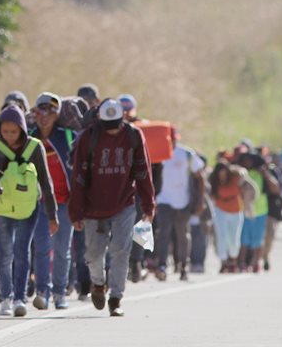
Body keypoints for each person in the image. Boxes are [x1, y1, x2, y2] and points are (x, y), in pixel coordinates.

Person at [67, 98, 156, 317]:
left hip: (124, 203)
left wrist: (148, 204)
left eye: (116, 124)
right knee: (94, 254)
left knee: (120, 250)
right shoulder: (89, 138)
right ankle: (98, 284)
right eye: (108, 126)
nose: (113, 131)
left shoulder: (134, 136)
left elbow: (143, 171)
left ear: (123, 117)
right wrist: (75, 210)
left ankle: (116, 298)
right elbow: (78, 176)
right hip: (93, 206)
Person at [0, 106, 57, 317]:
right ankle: (6, 297)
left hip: (28, 208)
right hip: (1, 208)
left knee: (22, 253)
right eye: (4, 131)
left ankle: (19, 298)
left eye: (13, 132)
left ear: (23, 130)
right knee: (4, 254)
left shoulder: (35, 147)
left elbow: (45, 181)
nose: (8, 136)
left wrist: (52, 214)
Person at [29, 92, 76, 309]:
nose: (45, 116)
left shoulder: (68, 137)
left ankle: (59, 293)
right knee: (40, 248)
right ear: (35, 113)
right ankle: (42, 292)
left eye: (51, 111)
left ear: (57, 114)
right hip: (38, 203)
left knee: (62, 249)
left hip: (65, 202)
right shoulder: (28, 138)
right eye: (41, 110)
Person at [152, 128, 206, 281]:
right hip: (164, 200)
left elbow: (200, 176)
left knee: (183, 235)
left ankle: (183, 265)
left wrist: (200, 200)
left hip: (183, 202)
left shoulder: (187, 154)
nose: (172, 141)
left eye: (174, 138)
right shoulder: (159, 154)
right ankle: (161, 265)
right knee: (163, 233)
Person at [209, 160, 249, 273]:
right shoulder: (214, 182)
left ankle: (233, 260)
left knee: (234, 238)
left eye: (224, 173)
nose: (222, 176)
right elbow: (211, 196)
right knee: (222, 236)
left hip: (236, 211)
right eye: (220, 174)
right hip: (220, 210)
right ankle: (223, 262)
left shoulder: (235, 177)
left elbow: (244, 173)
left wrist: (236, 169)